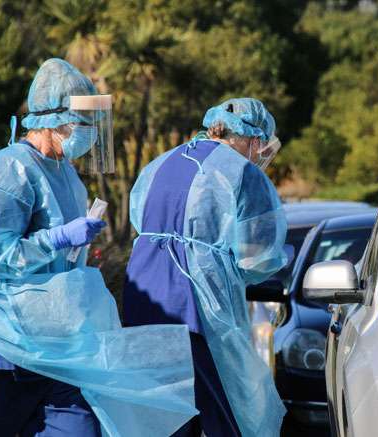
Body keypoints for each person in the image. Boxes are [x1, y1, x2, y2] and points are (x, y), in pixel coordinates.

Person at [0, 58, 197, 437]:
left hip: (50, 340)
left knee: (78, 428)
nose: (89, 133)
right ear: (52, 118)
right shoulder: (8, 171)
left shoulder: (66, 176)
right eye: (82, 122)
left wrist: (76, 254)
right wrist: (60, 238)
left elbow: (56, 257)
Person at [124, 97, 288, 437]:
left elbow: (140, 221)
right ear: (255, 140)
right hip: (196, 304)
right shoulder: (242, 171)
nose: (261, 156)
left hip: (141, 295)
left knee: (163, 414)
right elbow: (258, 256)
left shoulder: (159, 163)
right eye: (262, 148)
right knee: (221, 409)